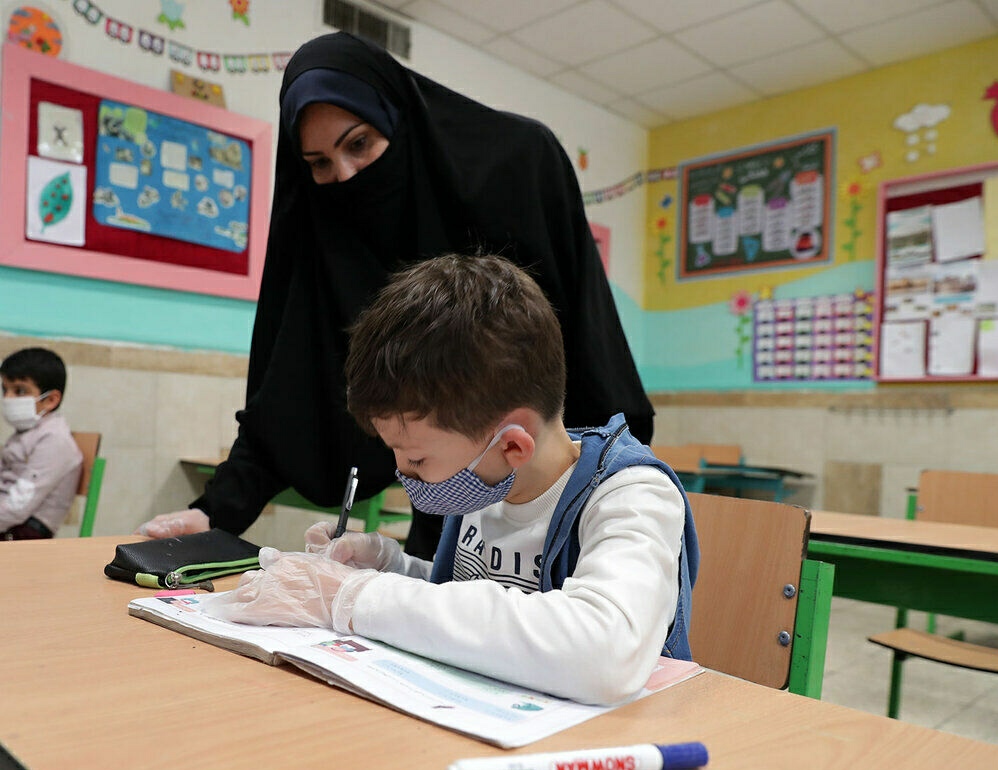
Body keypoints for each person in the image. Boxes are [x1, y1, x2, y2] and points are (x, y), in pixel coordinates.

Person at [137, 31, 655, 560]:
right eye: (319, 163)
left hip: (559, 489)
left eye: (359, 144)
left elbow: (579, 345)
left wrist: (596, 486)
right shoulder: (333, 229)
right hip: (450, 505)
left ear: (396, 119)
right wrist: (217, 511)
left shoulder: (514, 171)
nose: (345, 176)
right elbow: (292, 386)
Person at [201, 255, 698, 706]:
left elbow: (603, 653)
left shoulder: (631, 496)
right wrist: (391, 567)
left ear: (512, 445)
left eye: (417, 459)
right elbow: (470, 605)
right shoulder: (489, 477)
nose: (403, 473)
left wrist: (356, 597)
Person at [0, 347, 82, 540]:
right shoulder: (26, 433)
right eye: (5, 389)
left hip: (22, 535)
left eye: (20, 390)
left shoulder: (54, 440)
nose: (7, 398)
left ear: (50, 400)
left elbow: (18, 506)